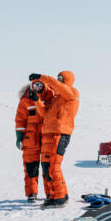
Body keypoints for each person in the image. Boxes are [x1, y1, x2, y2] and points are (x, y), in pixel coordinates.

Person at [29, 70, 80, 207]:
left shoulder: (71, 93)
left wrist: (42, 78)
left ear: (67, 80)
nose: (58, 80)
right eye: (58, 78)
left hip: (60, 134)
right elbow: (45, 114)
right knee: (46, 167)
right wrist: (37, 101)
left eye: (61, 78)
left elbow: (57, 86)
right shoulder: (58, 98)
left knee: (53, 166)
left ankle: (59, 198)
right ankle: (54, 195)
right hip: (48, 134)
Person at [14, 81, 45, 202]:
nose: (37, 87)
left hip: (47, 138)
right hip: (30, 140)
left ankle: (51, 194)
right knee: (31, 168)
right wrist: (19, 137)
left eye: (40, 85)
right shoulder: (25, 100)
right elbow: (20, 121)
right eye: (35, 85)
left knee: (48, 168)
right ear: (31, 86)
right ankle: (32, 193)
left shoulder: (49, 97)